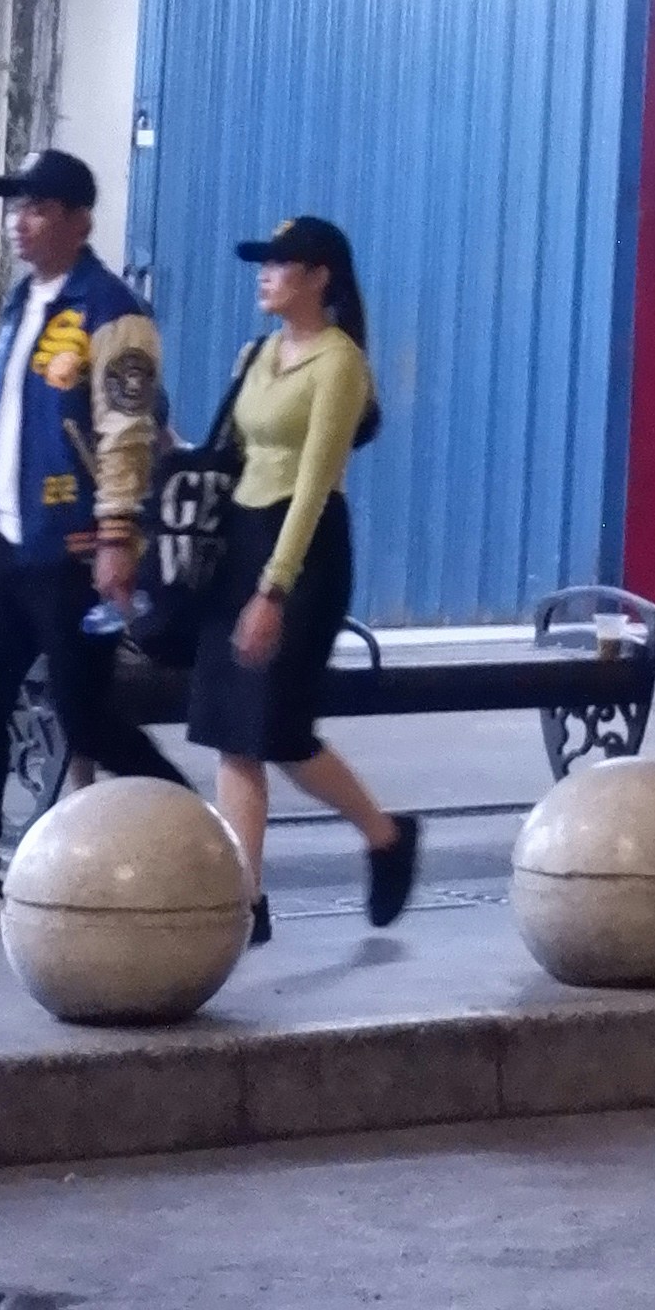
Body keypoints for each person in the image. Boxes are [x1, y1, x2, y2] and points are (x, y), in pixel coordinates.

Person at [0, 149, 180, 933]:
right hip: (9, 545)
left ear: (79, 221)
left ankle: (195, 835)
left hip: (73, 550)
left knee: (89, 717)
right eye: (15, 207)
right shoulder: (22, 304)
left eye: (37, 208)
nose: (18, 221)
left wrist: (116, 536)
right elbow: (6, 411)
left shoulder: (112, 311)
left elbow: (129, 432)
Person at [188, 215, 415, 942]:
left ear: (320, 277)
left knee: (279, 731)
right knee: (234, 733)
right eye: (264, 263)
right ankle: (244, 901)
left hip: (304, 551)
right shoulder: (257, 353)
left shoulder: (341, 363)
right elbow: (231, 453)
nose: (266, 274)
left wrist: (273, 589)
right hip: (242, 539)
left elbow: (315, 485)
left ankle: (385, 837)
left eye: (282, 264)